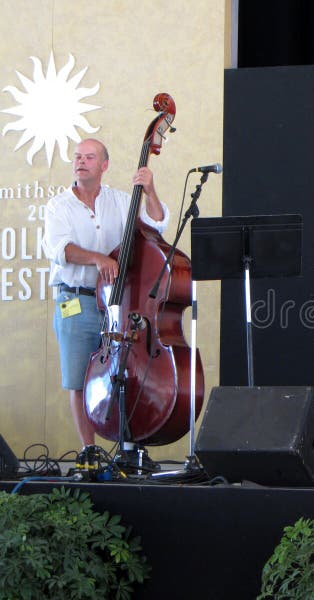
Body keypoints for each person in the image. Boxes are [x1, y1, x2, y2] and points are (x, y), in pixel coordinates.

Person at [44, 138, 170, 449]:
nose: (80, 161)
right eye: (77, 156)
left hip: (119, 306)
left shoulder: (120, 201)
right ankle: (90, 453)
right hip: (77, 299)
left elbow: (157, 225)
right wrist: (99, 258)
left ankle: (129, 450)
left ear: (104, 165)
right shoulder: (58, 205)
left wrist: (150, 190)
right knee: (78, 380)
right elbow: (60, 249)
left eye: (89, 156)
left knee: (127, 374)